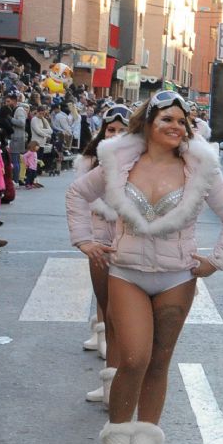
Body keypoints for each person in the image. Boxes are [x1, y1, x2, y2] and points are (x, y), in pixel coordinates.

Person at [66, 90, 223, 444]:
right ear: (148, 124)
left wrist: (216, 260)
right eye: (167, 119)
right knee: (132, 358)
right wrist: (84, 240)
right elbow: (79, 193)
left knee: (159, 363)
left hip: (177, 279)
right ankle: (116, 441)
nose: (175, 127)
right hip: (127, 272)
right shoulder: (119, 162)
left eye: (182, 122)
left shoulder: (199, 169)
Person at [76, 104, 132, 404]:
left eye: (123, 131)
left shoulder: (141, 162)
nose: (116, 135)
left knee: (124, 312)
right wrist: (84, 240)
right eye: (111, 130)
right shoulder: (89, 164)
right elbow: (78, 201)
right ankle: (111, 382)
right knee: (105, 300)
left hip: (131, 243)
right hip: (100, 239)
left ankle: (126, 383)